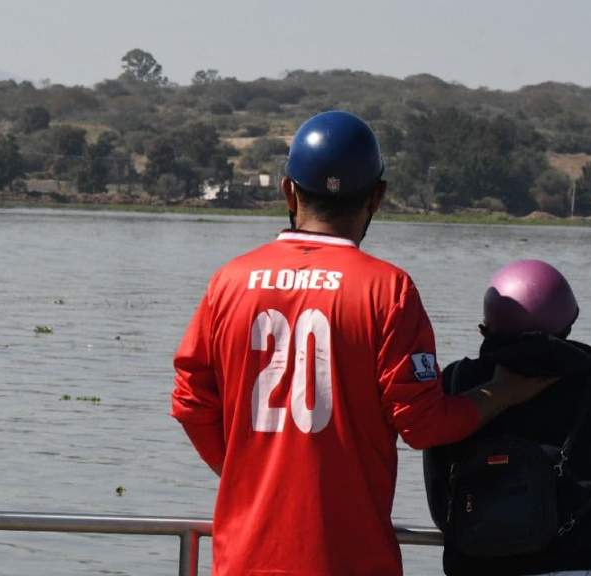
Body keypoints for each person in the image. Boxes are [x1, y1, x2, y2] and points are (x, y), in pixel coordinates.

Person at [170, 110, 557, 576]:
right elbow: (424, 425)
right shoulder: (387, 291)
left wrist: (246, 478)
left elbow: (191, 403)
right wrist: (506, 390)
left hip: (245, 559)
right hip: (351, 559)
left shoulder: (228, 283)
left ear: (287, 190)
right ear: (377, 196)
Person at [423, 259, 591, 576]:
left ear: (487, 329)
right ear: (566, 327)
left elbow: (442, 506)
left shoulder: (456, 383)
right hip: (583, 566)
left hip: (475, 566)